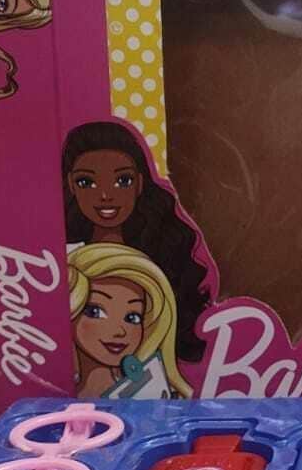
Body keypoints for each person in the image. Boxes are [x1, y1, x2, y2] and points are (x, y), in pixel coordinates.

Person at [62, 121, 213, 363]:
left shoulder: (161, 256)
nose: (105, 195)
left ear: (140, 183)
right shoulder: (65, 260)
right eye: (86, 182)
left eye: (123, 180)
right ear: (71, 184)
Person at [68, 244, 193, 399]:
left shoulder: (152, 391)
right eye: (95, 312)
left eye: (133, 318)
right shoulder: (54, 390)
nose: (120, 331)